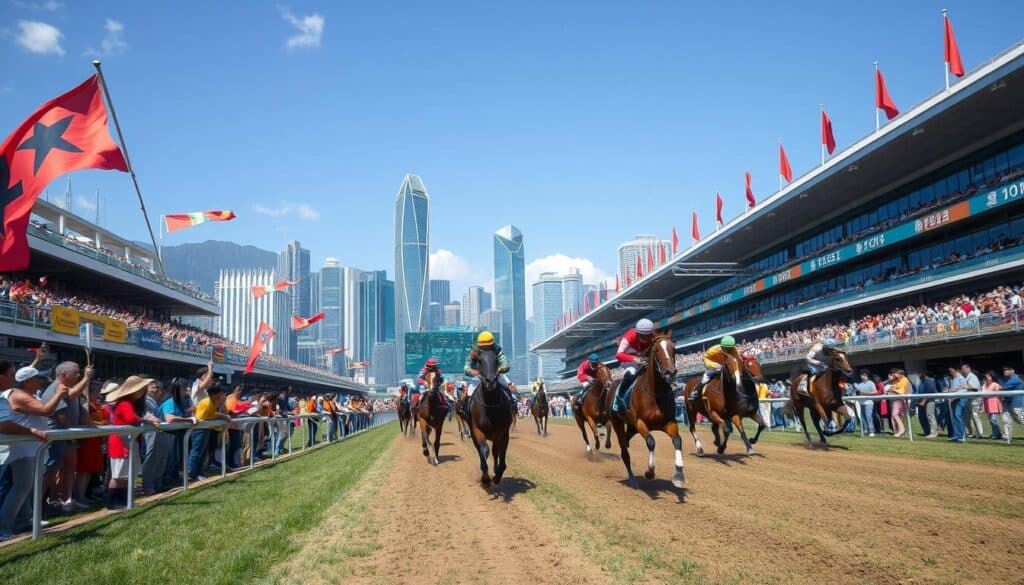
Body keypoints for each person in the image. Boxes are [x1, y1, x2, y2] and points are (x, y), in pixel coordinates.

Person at [0, 367, 64, 540]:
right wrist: (58, 393)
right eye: (37, 379)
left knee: (25, 486)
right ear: (28, 382)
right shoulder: (19, 395)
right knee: (22, 486)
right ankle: (4, 527)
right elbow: (47, 411)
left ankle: (24, 520)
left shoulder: (29, 394)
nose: (40, 382)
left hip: (29, 447)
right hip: (22, 448)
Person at [40, 360, 93, 512]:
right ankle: (41, 504)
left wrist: (88, 426)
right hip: (57, 436)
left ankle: (66, 499)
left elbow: (75, 398)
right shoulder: (57, 388)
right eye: (76, 374)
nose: (78, 376)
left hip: (67, 436)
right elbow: (63, 418)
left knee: (70, 467)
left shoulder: (68, 389)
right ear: (64, 375)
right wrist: (87, 379)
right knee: (51, 470)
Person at [106, 376, 160, 510]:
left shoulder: (129, 403)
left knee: (125, 474)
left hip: (128, 441)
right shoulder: (125, 403)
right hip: (121, 442)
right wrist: (146, 420)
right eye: (140, 389)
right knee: (118, 475)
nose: (142, 392)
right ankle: (113, 502)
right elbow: (131, 418)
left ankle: (123, 501)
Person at [611, 318, 656, 414]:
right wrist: (635, 359)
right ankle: (619, 397)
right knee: (632, 372)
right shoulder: (630, 335)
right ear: (637, 333)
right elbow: (618, 355)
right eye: (643, 336)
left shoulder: (653, 336)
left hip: (644, 358)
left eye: (648, 336)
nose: (646, 339)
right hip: (628, 359)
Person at [189, 385, 230, 481]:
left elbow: (211, 415)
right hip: (199, 430)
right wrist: (222, 416)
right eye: (222, 394)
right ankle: (193, 474)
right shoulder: (207, 403)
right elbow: (202, 418)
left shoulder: (213, 402)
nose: (224, 397)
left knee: (201, 452)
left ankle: (198, 472)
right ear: (215, 395)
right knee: (197, 452)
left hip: (205, 429)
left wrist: (221, 415)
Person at [691, 336, 741, 401]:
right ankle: (696, 392)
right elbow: (705, 358)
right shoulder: (713, 350)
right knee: (705, 379)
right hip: (713, 365)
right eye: (725, 348)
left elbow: (736, 361)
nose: (727, 350)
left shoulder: (735, 351)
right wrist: (715, 365)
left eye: (729, 348)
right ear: (721, 346)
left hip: (725, 367)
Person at [999, 366, 1023, 445]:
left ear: (1012, 371)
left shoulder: (1015, 379)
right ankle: (1007, 440)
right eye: (1004, 370)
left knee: (1020, 420)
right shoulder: (1005, 379)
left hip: (1016, 403)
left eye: (1007, 370)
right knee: (1005, 420)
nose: (1005, 371)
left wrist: (997, 386)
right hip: (1007, 403)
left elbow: (1002, 388)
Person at [961, 364, 984, 439]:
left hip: (975, 399)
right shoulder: (966, 377)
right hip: (968, 399)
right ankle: (969, 433)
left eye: (964, 369)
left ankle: (980, 434)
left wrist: (963, 387)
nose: (963, 371)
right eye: (962, 369)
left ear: (968, 369)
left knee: (975, 416)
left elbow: (975, 388)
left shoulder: (972, 376)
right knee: (966, 416)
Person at [945, 366, 967, 442]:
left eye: (951, 371)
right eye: (950, 371)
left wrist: (954, 396)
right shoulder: (954, 379)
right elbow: (955, 389)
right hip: (954, 400)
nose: (950, 373)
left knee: (958, 415)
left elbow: (963, 390)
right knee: (954, 417)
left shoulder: (961, 378)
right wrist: (949, 390)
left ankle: (961, 436)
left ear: (956, 370)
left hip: (960, 399)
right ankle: (956, 435)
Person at [853, 370, 877, 437]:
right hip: (861, 403)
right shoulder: (859, 384)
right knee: (862, 417)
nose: (863, 376)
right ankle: (865, 430)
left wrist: (864, 393)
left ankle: (871, 431)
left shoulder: (871, 383)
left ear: (867, 375)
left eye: (864, 374)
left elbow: (875, 392)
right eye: (862, 374)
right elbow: (856, 392)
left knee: (868, 416)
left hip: (869, 402)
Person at [886, 369, 910, 438]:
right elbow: (892, 387)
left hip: (901, 399)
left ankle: (902, 431)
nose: (894, 375)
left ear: (901, 374)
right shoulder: (898, 380)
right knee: (895, 415)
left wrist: (892, 389)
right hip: (897, 399)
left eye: (896, 373)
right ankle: (899, 431)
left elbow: (901, 391)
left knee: (895, 415)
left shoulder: (904, 380)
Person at [916, 371, 939, 438]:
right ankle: (927, 431)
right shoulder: (921, 381)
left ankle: (933, 432)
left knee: (930, 416)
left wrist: (923, 401)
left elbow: (929, 391)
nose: (918, 375)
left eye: (919, 374)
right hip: (921, 401)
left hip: (929, 401)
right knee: (922, 417)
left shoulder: (930, 380)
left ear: (923, 374)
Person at [981, 371, 1004, 440]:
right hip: (987, 404)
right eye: (985, 377)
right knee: (991, 420)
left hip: (994, 404)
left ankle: (996, 434)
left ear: (992, 377)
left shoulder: (995, 384)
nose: (986, 378)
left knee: (993, 420)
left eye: (987, 376)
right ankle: (996, 433)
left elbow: (999, 395)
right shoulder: (984, 384)